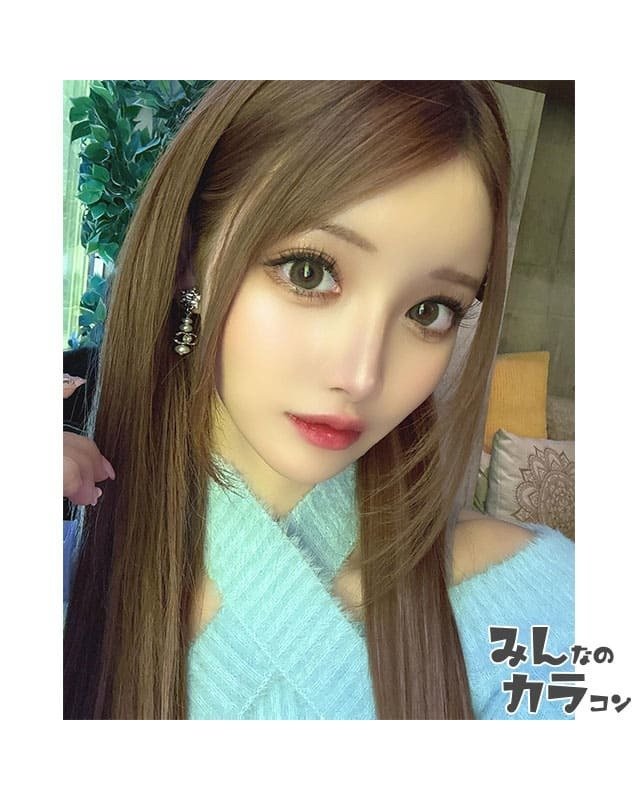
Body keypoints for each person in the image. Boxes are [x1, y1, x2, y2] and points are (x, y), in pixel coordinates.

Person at [63, 80, 575, 720]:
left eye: (429, 310)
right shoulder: (70, 572)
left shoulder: (548, 609)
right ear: (189, 259)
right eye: (309, 272)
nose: (362, 376)